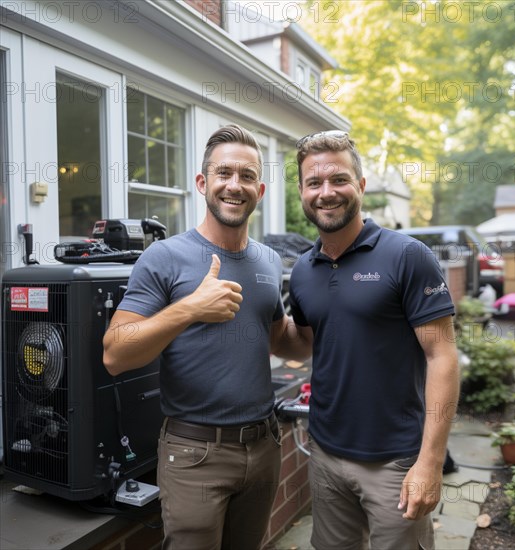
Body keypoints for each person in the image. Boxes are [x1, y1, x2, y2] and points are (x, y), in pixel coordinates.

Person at [103, 124, 312, 550]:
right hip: (195, 453)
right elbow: (115, 353)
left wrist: (328, 314)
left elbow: (281, 341)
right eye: (224, 173)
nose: (235, 185)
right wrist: (191, 309)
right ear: (203, 182)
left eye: (247, 176)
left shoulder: (269, 261)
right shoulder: (164, 256)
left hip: (264, 444)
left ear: (261, 188)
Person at [289, 130, 460, 550]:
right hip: (326, 454)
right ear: (302, 192)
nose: (326, 193)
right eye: (314, 183)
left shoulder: (406, 256)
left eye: (339, 179)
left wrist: (430, 462)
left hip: (396, 462)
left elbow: (443, 358)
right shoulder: (302, 271)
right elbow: (307, 343)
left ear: (361, 186)